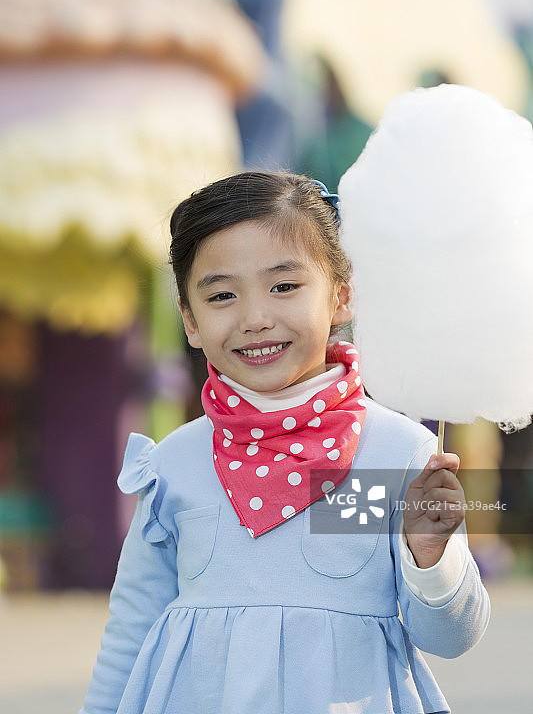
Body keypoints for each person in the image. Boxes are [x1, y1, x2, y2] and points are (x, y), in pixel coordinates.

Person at [79, 172, 490, 714]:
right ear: (190, 321)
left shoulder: (394, 455)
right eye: (222, 295)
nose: (255, 318)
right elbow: (132, 628)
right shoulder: (175, 463)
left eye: (285, 286)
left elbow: (450, 638)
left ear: (342, 296)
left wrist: (430, 555)